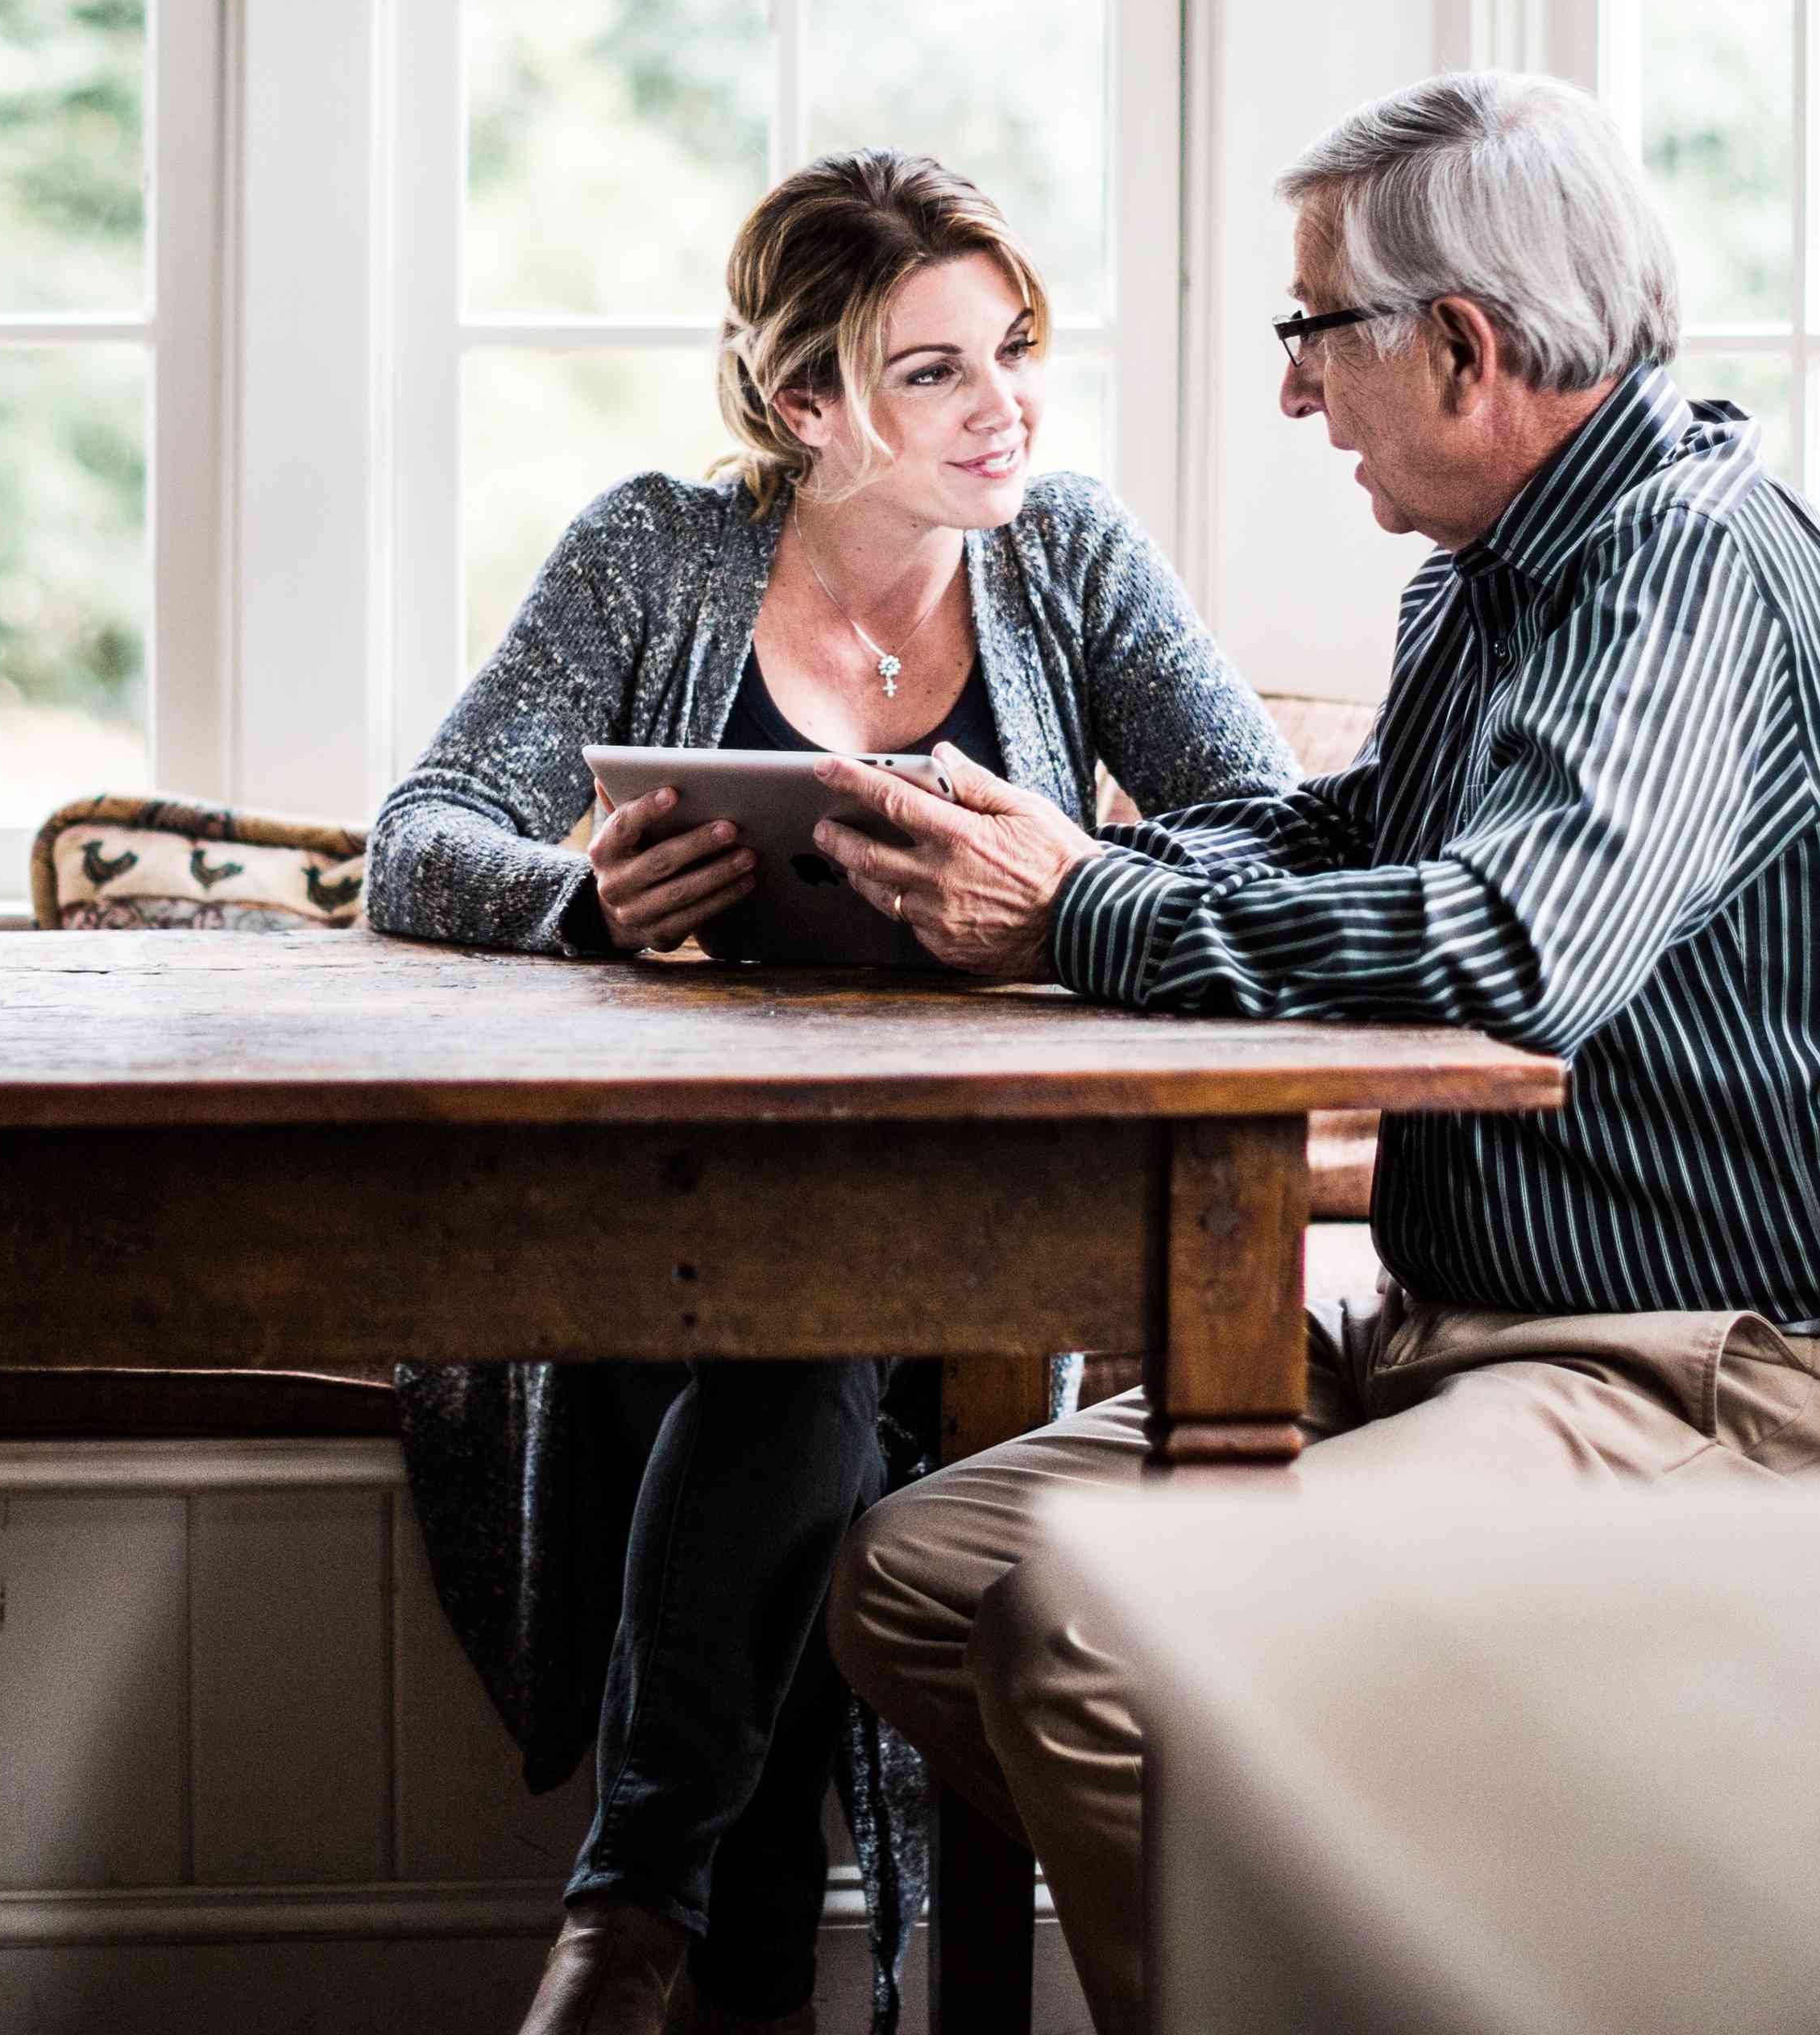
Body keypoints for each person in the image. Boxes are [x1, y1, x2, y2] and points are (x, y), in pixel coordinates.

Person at [805, 75, 1820, 2034]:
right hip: (1458, 1329)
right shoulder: (1488, 582)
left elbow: (1508, 952)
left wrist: (1076, 916)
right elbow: (1347, 841)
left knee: (1096, 1640)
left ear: (1461, 344)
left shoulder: (1686, 566)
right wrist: (1054, 859)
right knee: (918, 1577)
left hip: (1708, 1369)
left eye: (1307, 333)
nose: (1290, 393)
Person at [364, 151, 1294, 2035]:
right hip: (668, 1217)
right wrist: (581, 900)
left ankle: (635, 1926)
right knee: (797, 1366)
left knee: (808, 1359)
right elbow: (415, 842)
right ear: (806, 403)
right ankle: (702, 1960)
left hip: (965, 1216)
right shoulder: (655, 551)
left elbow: (1269, 843)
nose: (1005, 404)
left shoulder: (1075, 559)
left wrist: (1066, 890)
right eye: (934, 368)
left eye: (1013, 349)